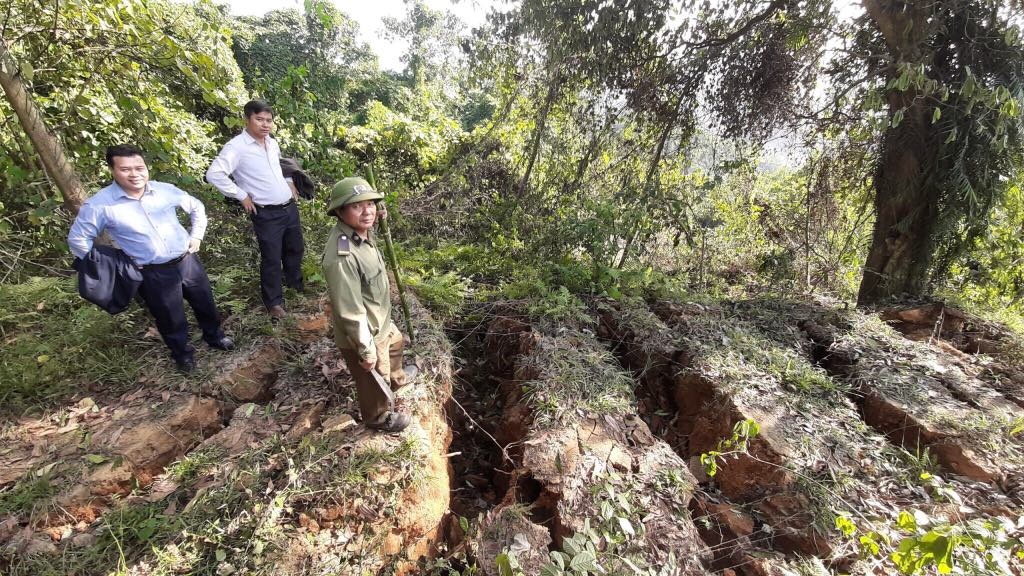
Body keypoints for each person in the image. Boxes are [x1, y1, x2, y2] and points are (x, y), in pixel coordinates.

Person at [68, 144, 234, 373]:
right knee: (170, 317)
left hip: (187, 261)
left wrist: (196, 236)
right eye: (126, 169)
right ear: (113, 170)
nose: (135, 174)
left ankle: (215, 337)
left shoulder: (164, 190)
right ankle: (183, 356)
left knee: (204, 302)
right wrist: (114, 265)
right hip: (152, 271)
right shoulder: (101, 205)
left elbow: (196, 206)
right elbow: (78, 241)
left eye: (139, 168)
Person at [323, 177, 417, 432]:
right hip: (366, 330)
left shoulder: (359, 233)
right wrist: (365, 349)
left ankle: (397, 380)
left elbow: (369, 220)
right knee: (373, 377)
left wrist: (377, 217)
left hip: (380, 319)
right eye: (357, 206)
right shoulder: (342, 255)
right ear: (340, 212)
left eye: (371, 205)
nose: (368, 211)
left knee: (396, 344)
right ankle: (378, 417)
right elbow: (349, 310)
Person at [206, 100, 303, 319]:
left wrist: (289, 180)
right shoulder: (237, 147)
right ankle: (274, 303)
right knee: (271, 257)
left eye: (269, 120)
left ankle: (295, 287)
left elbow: (279, 164)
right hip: (266, 213)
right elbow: (214, 174)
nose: (265, 124)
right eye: (259, 119)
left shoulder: (271, 142)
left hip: (288, 207)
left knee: (295, 248)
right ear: (247, 119)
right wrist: (241, 195)